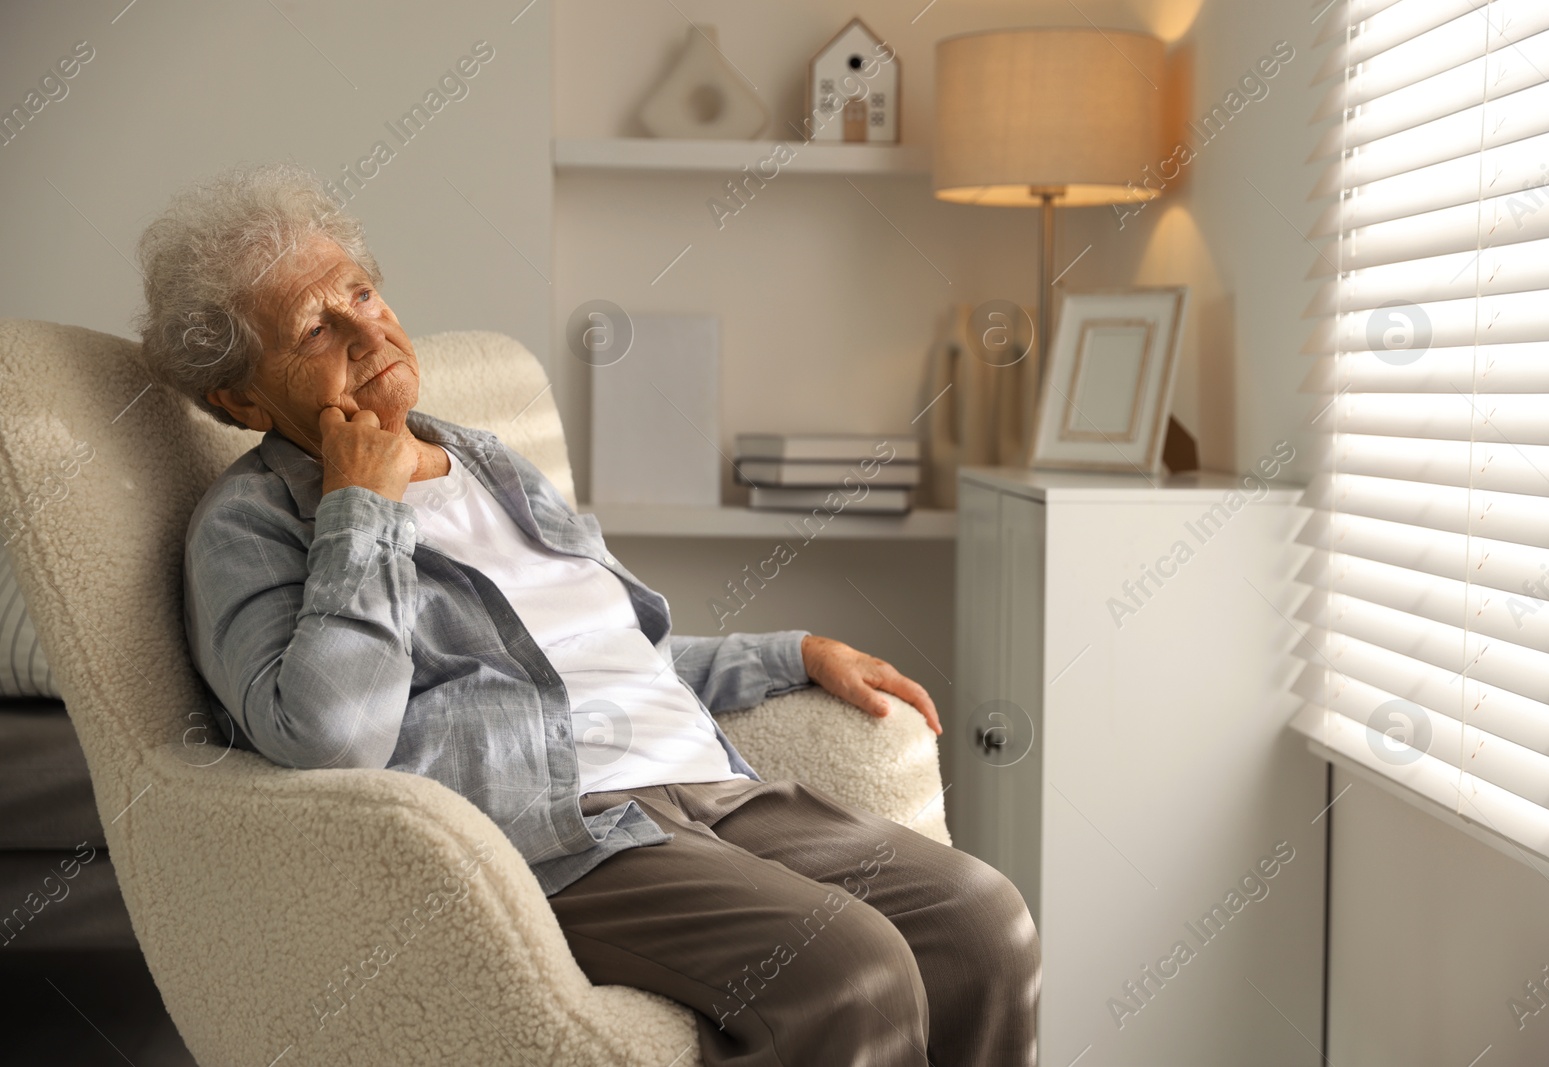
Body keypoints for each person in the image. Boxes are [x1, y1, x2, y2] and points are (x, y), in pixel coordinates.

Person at [139, 163, 1039, 1066]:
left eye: (363, 293)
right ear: (241, 399)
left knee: (981, 922)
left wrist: (795, 651)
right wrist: (360, 509)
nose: (365, 330)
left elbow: (597, 647)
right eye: (314, 328)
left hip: (713, 787)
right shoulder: (248, 524)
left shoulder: (488, 461)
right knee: (853, 965)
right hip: (564, 831)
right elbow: (328, 738)